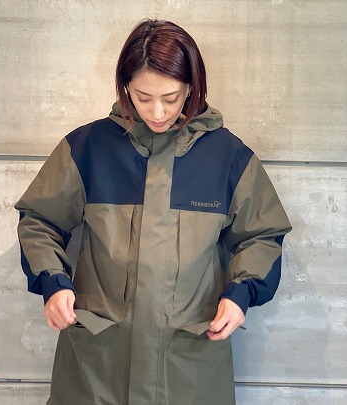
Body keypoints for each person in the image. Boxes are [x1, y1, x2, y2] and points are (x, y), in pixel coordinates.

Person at [15, 19, 292, 405]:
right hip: (99, 365)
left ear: (192, 87)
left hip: (187, 367)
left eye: (171, 97)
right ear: (125, 86)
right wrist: (53, 281)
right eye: (143, 98)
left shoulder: (228, 158)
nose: (157, 112)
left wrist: (241, 292)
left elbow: (262, 234)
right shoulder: (89, 148)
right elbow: (39, 219)